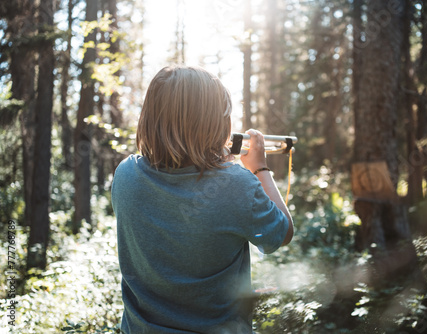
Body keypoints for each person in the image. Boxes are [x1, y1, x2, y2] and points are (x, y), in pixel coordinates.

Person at [111, 64, 293, 334]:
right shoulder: (236, 184)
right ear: (216, 124)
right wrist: (260, 169)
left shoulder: (125, 174)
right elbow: (282, 233)